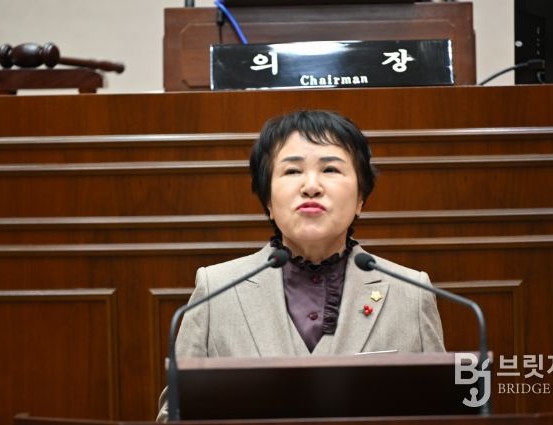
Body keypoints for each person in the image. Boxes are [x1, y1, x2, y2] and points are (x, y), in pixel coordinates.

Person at [156, 110, 444, 421]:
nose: (311, 186)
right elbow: (174, 414)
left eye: (330, 169)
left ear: (361, 198)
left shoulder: (410, 292)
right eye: (292, 170)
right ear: (268, 200)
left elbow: (441, 410)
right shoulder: (216, 289)